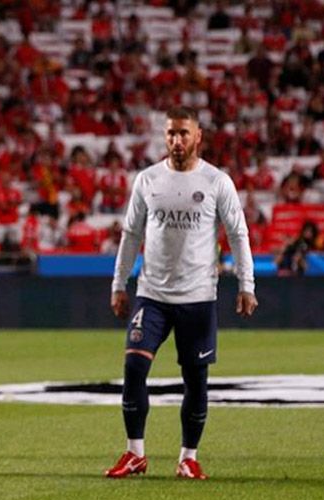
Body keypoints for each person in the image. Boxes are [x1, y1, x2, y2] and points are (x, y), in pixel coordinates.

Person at [108, 107, 257, 480]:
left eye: (183, 134)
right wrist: (119, 283)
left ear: (198, 136)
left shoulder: (216, 181)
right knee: (134, 367)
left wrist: (246, 284)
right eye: (171, 134)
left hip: (197, 297)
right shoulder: (148, 179)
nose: (177, 141)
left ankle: (188, 457)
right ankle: (134, 453)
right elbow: (131, 235)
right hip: (152, 294)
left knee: (195, 379)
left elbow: (238, 234)